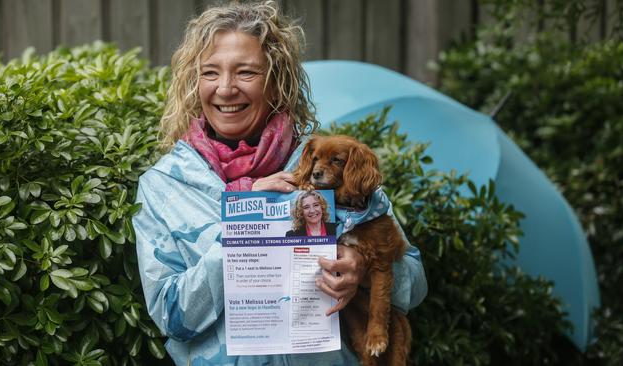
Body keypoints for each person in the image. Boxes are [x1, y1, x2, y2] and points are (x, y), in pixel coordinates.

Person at [133, 1, 427, 364]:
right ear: (195, 83)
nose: (225, 88)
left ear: (277, 82)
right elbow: (170, 316)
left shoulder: (328, 165)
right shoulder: (165, 185)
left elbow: (415, 282)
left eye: (246, 73)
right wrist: (246, 225)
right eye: (210, 73)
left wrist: (363, 269)